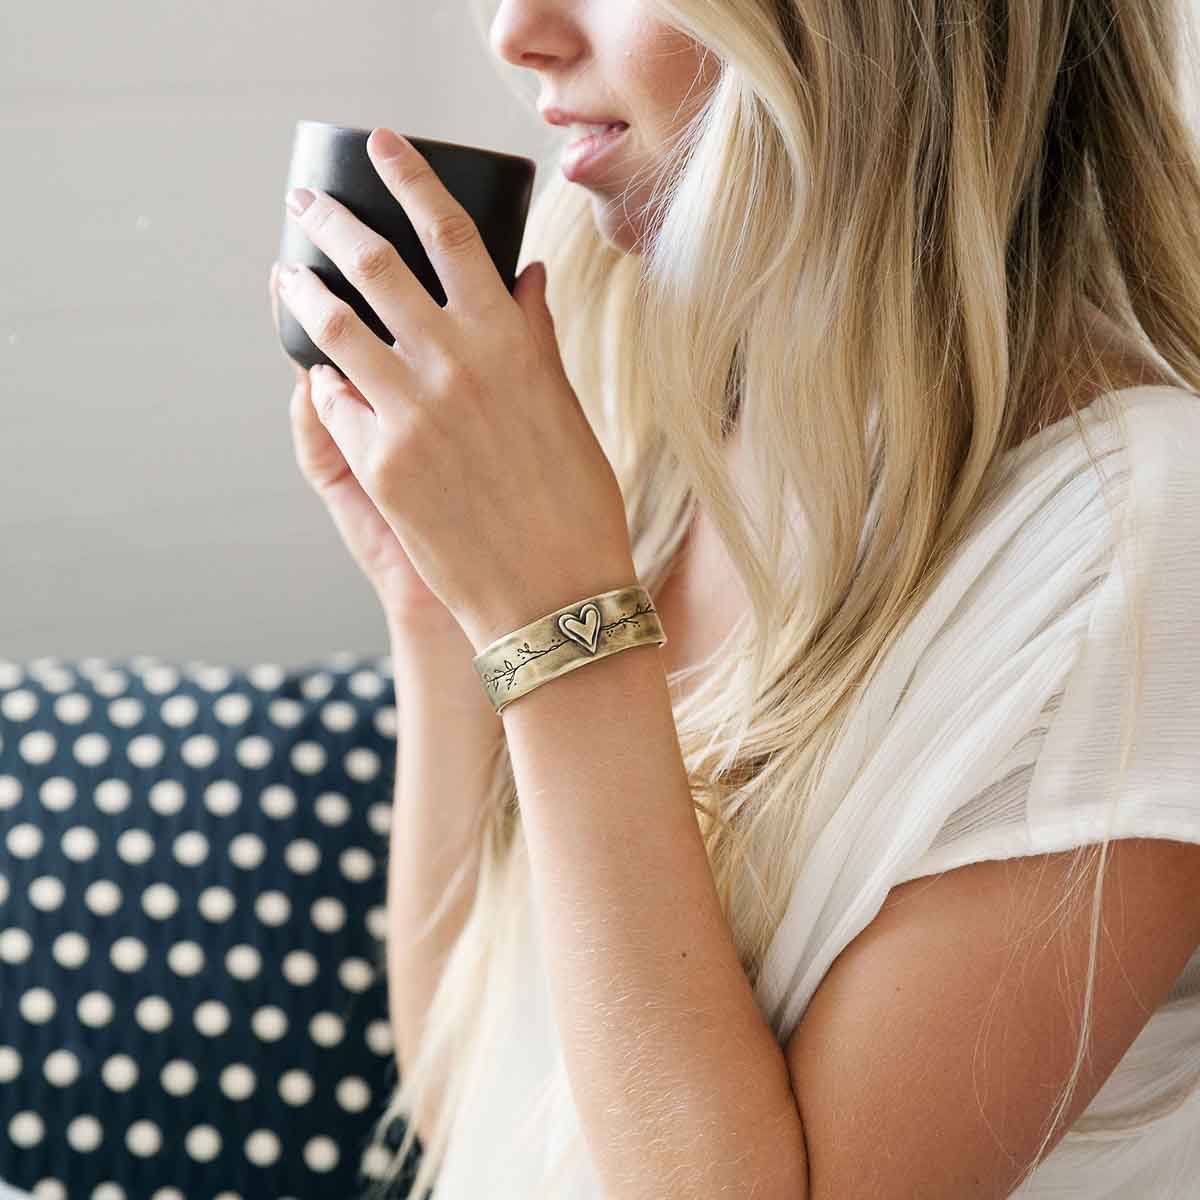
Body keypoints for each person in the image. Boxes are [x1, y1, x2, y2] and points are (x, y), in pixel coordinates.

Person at [270, 2, 1200, 1197]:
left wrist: (558, 629)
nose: (517, 30)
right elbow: (480, 1099)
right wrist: (442, 614)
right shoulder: (663, 416)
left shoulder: (1139, 546)